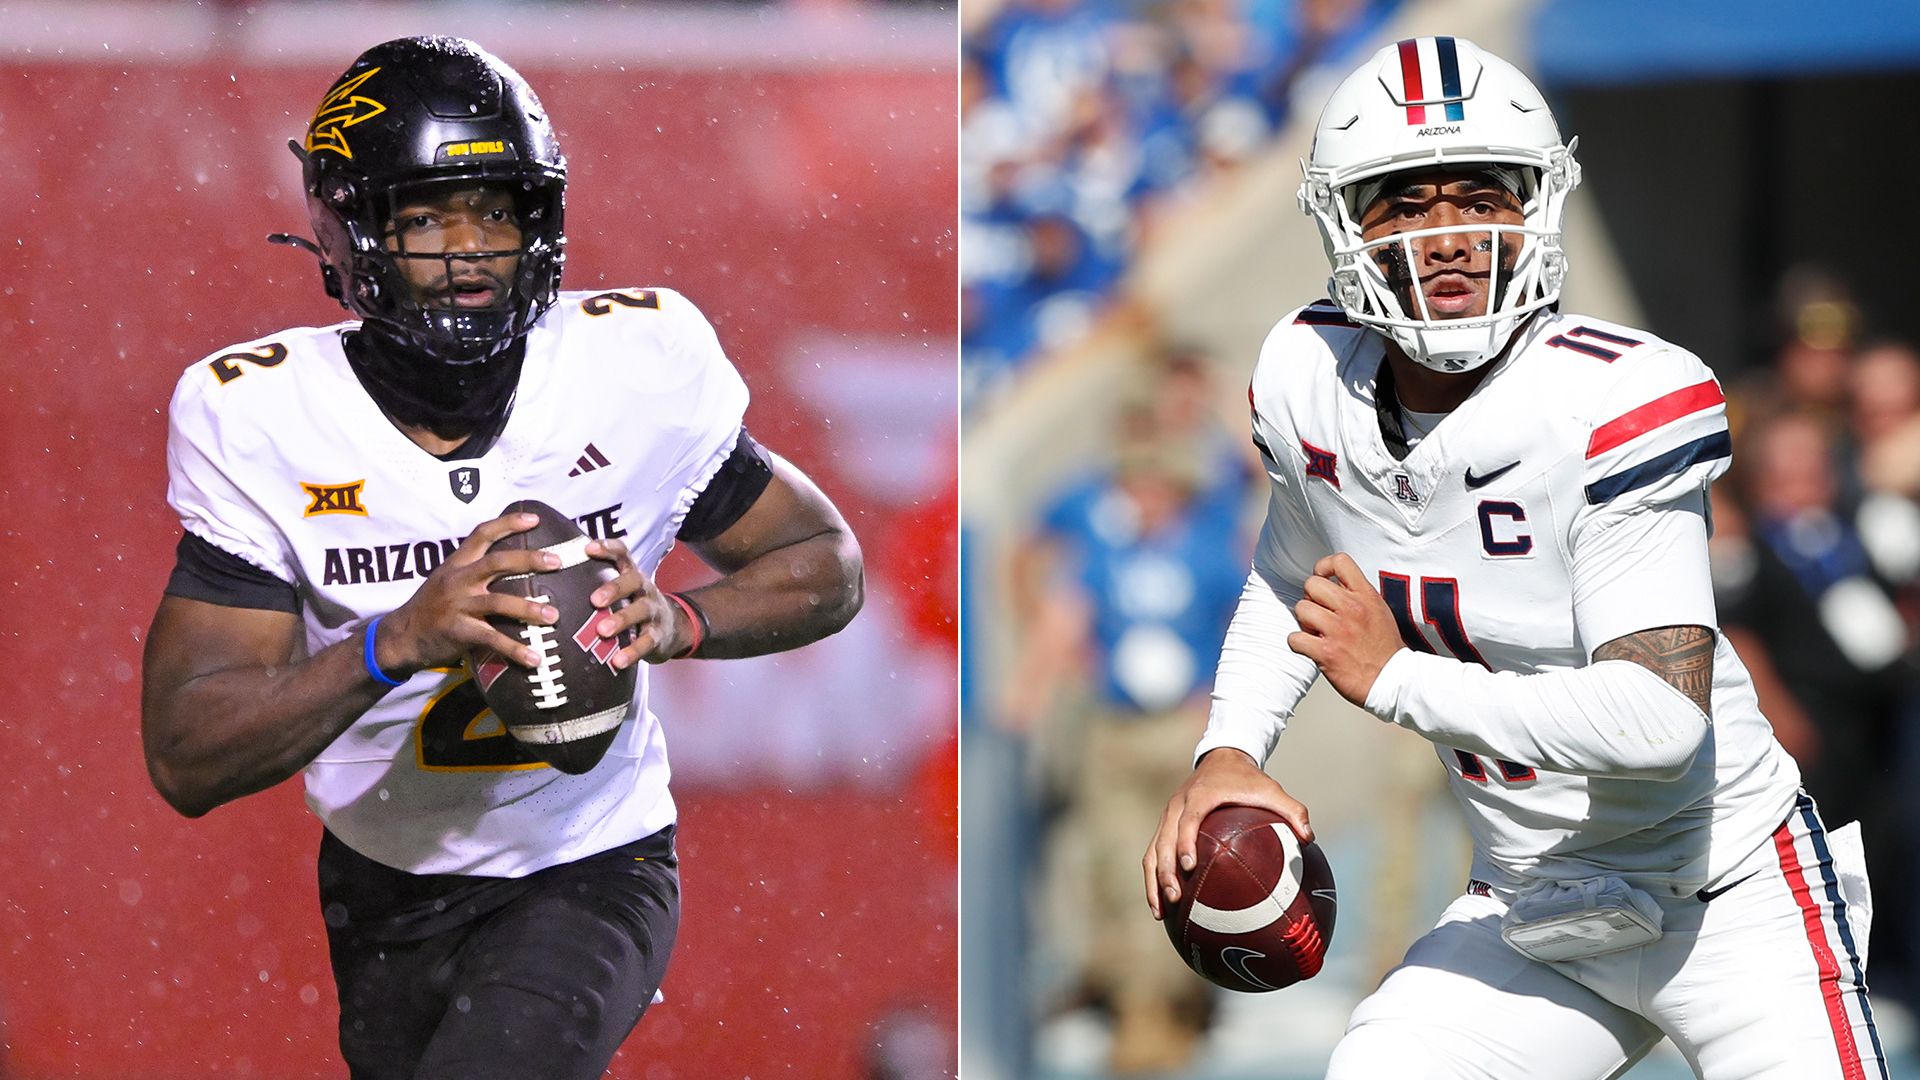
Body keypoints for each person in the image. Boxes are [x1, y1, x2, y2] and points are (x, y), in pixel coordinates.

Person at [1141, 36, 1886, 1079]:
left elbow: (1658, 717)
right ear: (1343, 224)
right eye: (1404, 202)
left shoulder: (1613, 397)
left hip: (1727, 894)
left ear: (1535, 205)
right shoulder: (1308, 375)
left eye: (1479, 196)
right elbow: (1291, 576)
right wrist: (1230, 749)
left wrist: (1399, 680)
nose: (1447, 235)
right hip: (1534, 903)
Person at [139, 37, 863, 1080]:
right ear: (350, 230)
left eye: (498, 211)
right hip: (384, 883)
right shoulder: (260, 413)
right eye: (428, 216)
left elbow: (823, 560)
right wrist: (395, 641)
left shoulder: (631, 366)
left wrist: (682, 620)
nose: (470, 250)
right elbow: (187, 755)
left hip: (590, 863)